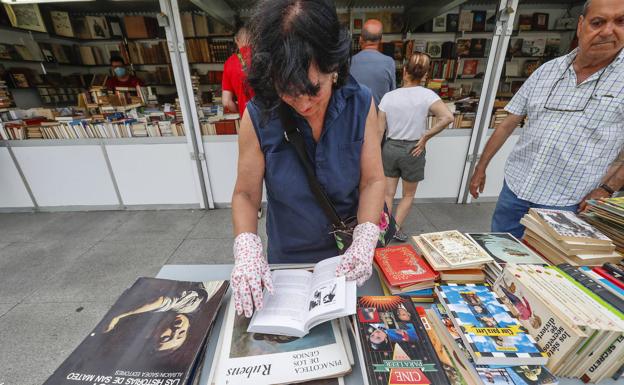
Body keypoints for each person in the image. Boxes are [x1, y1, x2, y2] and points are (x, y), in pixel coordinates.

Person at [230, 0, 385, 318]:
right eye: (288, 91)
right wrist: (246, 246)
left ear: (335, 68)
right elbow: (245, 194)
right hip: (289, 258)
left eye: (313, 91)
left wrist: (367, 234)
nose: (302, 104)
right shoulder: (259, 115)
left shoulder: (360, 103)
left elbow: (372, 180)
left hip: (348, 253)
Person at [469, 0, 624, 238]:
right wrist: (481, 167)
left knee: (548, 267)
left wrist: (606, 189)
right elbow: (509, 122)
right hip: (517, 188)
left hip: (569, 200)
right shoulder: (548, 70)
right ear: (581, 25)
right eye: (598, 22)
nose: (607, 31)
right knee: (499, 247)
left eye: (620, 22)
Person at [379, 52, 454, 241]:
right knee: (408, 194)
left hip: (390, 148)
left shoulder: (388, 97)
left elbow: (379, 130)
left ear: (404, 71)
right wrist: (426, 136)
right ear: (425, 75)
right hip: (414, 149)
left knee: (387, 193)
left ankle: (384, 229)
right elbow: (448, 117)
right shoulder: (428, 95)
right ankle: (394, 230)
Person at [349, 19, 396, 106]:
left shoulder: (349, 62)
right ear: (381, 40)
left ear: (360, 39)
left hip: (355, 118)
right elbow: (392, 95)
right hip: (379, 118)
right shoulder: (389, 63)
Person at [222, 26, 254, 115]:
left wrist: (241, 110)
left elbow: (226, 102)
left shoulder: (229, 63)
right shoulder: (264, 57)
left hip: (247, 118)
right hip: (271, 118)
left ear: (236, 40)